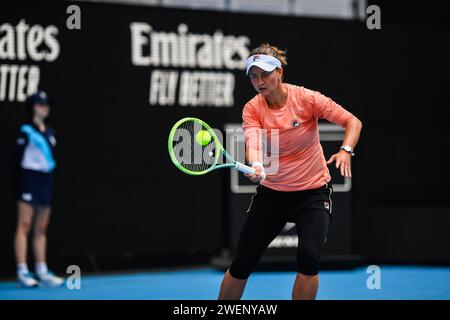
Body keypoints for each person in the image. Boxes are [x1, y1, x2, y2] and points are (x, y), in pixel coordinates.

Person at [218, 44, 362, 300]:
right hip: (272, 194)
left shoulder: (307, 98)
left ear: (279, 72)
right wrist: (258, 165)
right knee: (241, 263)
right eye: (253, 76)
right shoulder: (252, 108)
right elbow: (253, 142)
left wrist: (345, 150)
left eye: (264, 74)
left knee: (309, 258)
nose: (259, 81)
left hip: (313, 193)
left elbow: (353, 121)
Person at [11, 91, 64, 288]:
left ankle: (41, 270)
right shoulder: (25, 131)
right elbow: (14, 162)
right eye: (40, 104)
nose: (45, 108)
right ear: (33, 107)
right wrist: (18, 183)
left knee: (41, 228)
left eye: (46, 104)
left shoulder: (50, 132)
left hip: (45, 180)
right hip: (28, 179)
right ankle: (22, 271)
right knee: (24, 225)